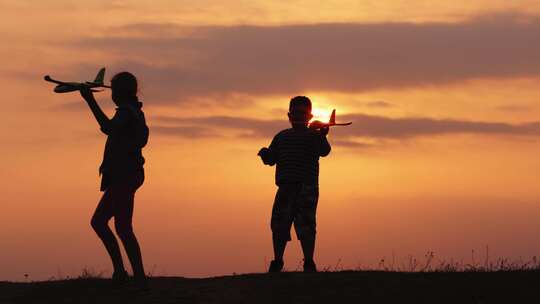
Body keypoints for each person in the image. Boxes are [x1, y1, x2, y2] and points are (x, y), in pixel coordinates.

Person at [79, 72, 149, 287]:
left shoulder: (127, 113)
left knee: (116, 226)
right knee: (109, 224)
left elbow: (108, 128)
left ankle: (135, 277)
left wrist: (90, 101)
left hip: (124, 176)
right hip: (126, 175)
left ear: (119, 92)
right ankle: (126, 273)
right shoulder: (135, 112)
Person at [258, 96, 331, 273]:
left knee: (306, 225)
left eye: (302, 114)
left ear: (309, 116)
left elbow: (325, 151)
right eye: (295, 113)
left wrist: (322, 135)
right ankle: (278, 261)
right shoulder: (281, 137)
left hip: (307, 188)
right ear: (289, 115)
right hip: (286, 187)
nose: (298, 117)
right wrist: (265, 154)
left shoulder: (314, 136)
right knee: (279, 224)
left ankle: (308, 262)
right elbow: (271, 160)